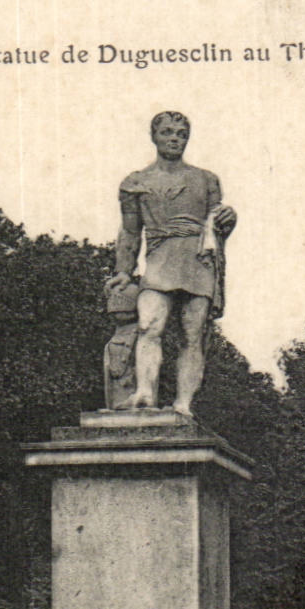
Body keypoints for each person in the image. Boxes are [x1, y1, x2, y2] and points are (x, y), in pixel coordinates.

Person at [103, 111, 237, 415]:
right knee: (149, 324)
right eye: (167, 132)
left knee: (192, 334)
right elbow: (130, 231)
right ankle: (145, 393)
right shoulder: (135, 182)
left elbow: (216, 224)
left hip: (197, 259)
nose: (174, 138)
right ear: (154, 136)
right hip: (159, 258)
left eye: (180, 133)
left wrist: (230, 218)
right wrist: (124, 271)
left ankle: (183, 404)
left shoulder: (205, 179)